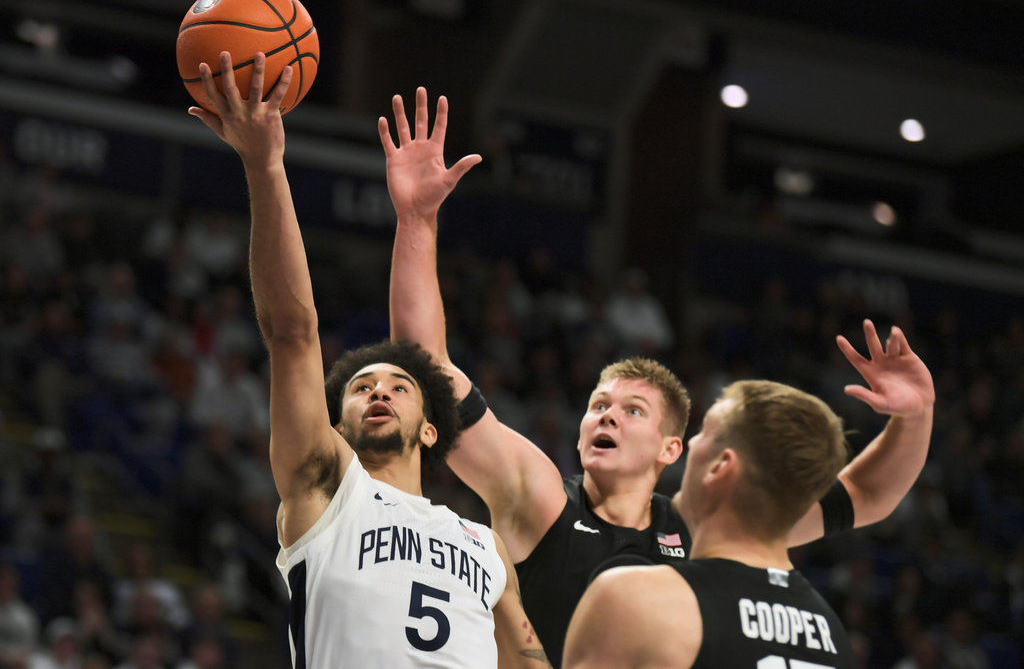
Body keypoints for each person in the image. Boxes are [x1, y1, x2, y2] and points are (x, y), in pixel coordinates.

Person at [383, 87, 935, 664]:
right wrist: (417, 221)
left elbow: (866, 495)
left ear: (672, 448)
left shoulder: (712, 522)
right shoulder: (544, 500)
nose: (607, 416)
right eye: (599, 405)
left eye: (632, 411)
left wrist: (916, 415)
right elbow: (425, 370)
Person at [188, 54, 550, 668]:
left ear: (431, 428)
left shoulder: (485, 545)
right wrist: (264, 164)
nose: (377, 391)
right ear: (336, 426)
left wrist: (418, 218)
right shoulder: (327, 488)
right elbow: (292, 332)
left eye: (398, 386)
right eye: (360, 388)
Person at [562, 379, 858, 668]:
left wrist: (512, 607)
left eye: (705, 432)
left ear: (720, 466)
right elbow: (865, 493)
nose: (691, 441)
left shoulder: (633, 599)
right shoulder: (834, 635)